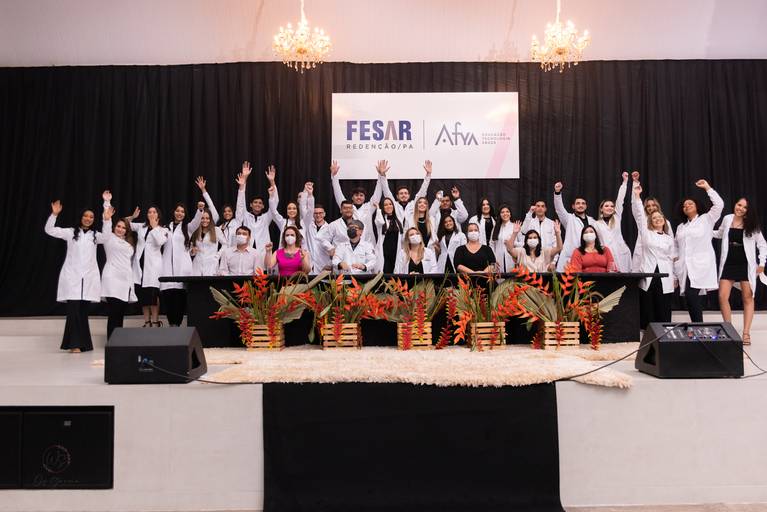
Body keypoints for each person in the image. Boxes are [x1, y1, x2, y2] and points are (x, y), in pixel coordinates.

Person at [44, 192, 111, 352]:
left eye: (91, 217)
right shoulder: (70, 232)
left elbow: (107, 236)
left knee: (82, 313)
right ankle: (74, 345)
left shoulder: (95, 236)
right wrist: (54, 214)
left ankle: (84, 344)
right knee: (73, 312)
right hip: (72, 278)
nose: (88, 219)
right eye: (86, 216)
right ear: (81, 217)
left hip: (88, 280)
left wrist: (106, 211)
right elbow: (49, 230)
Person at [714, 197, 767, 344]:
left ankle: (746, 333)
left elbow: (762, 244)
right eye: (739, 205)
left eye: (745, 207)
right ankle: (729, 330)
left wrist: (762, 263)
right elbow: (720, 233)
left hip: (745, 264)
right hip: (728, 262)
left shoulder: (752, 224)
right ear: (735, 204)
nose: (741, 209)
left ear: (748, 211)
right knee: (722, 296)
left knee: (747, 298)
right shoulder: (727, 218)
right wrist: (705, 232)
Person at [675, 179, 724, 322]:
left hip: (700, 265)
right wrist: (675, 270)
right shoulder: (681, 227)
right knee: (689, 297)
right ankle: (697, 326)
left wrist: (708, 188)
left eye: (690, 203)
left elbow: (719, 205)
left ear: (697, 206)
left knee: (691, 294)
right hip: (685, 267)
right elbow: (677, 247)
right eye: (684, 205)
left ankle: (698, 326)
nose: (687, 206)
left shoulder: (706, 219)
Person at [631, 183, 677, 327]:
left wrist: (675, 277)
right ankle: (647, 333)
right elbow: (640, 214)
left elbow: (672, 258)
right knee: (648, 307)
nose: (657, 219)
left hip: (665, 275)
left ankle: (663, 333)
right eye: (654, 218)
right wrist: (637, 196)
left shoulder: (669, 238)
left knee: (663, 307)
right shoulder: (646, 233)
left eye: (659, 217)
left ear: (664, 220)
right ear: (650, 221)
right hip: (649, 274)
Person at [100, 204, 138, 338]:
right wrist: (107, 203)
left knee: (120, 313)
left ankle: (117, 342)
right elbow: (106, 223)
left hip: (125, 281)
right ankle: (111, 341)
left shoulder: (129, 243)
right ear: (114, 227)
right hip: (112, 279)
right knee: (114, 312)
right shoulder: (109, 238)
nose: (120, 229)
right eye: (118, 226)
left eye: (123, 227)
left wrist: (131, 218)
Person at [129, 206, 169, 327]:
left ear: (158, 215)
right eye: (149, 212)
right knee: (144, 296)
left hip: (153, 267)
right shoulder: (141, 226)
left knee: (153, 295)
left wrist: (154, 227)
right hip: (140, 265)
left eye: (154, 212)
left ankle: (155, 321)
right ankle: (147, 322)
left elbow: (160, 242)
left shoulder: (163, 229)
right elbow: (125, 223)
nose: (151, 214)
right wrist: (132, 217)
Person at [157, 201, 193, 327]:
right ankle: (171, 324)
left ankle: (177, 325)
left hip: (182, 269)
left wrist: (200, 210)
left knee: (180, 299)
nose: (180, 213)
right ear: (173, 212)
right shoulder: (165, 228)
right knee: (168, 298)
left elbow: (197, 221)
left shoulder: (188, 227)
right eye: (178, 211)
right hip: (167, 268)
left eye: (182, 211)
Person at [330, 160, 382, 245]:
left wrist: (380, 176)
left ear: (364, 198)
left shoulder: (369, 207)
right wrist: (334, 176)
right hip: (351, 243)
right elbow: (338, 193)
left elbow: (377, 193)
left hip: (368, 243)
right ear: (352, 197)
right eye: (356, 195)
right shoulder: (348, 207)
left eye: (361, 195)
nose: (359, 197)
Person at [630, 171, 673, 272]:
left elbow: (671, 245)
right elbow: (635, 205)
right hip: (643, 256)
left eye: (653, 205)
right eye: (648, 206)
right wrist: (635, 183)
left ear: (658, 206)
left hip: (662, 261)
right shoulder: (642, 220)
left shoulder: (665, 222)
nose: (651, 208)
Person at [554, 182, 597, 271]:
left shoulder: (592, 221)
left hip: (587, 257)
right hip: (570, 257)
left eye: (583, 203)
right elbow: (559, 209)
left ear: (586, 206)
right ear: (573, 206)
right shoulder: (568, 219)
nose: (580, 205)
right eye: (578, 203)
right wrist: (557, 193)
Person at [235, 161, 278, 250]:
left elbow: (274, 202)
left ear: (263, 206)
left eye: (260, 203)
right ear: (251, 205)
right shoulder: (246, 215)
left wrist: (272, 182)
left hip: (263, 252)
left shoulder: (266, 217)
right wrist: (243, 182)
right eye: (255, 202)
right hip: (247, 251)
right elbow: (240, 205)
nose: (258, 204)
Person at [595, 173, 632, 272]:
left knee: (624, 277)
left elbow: (620, 199)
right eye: (606, 206)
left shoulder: (617, 217)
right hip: (606, 255)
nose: (610, 208)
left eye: (612, 206)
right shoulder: (596, 224)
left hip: (621, 253)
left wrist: (625, 182)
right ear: (601, 209)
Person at [377, 160, 432, 225]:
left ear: (409, 196)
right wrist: (382, 175)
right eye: (401, 193)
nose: (403, 195)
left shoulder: (413, 204)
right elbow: (386, 191)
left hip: (412, 231)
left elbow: (423, 191)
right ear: (397, 196)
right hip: (397, 231)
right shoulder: (394, 205)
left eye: (406, 193)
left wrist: (428, 175)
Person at [299, 182, 331, 273]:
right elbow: (303, 208)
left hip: (325, 266)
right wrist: (308, 193)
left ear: (324, 214)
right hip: (309, 265)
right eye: (315, 213)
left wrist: (330, 264)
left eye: (320, 213)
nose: (318, 215)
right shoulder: (308, 224)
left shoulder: (330, 228)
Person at [190, 209, 227, 276]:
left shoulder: (216, 230)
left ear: (210, 219)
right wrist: (192, 251)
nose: (205, 220)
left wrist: (217, 256)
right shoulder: (195, 230)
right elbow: (191, 249)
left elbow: (225, 244)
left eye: (207, 218)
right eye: (202, 218)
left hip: (211, 264)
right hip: (197, 265)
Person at [373, 197, 403, 273]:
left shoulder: (398, 220)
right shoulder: (382, 220)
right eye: (385, 205)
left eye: (390, 204)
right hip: (384, 253)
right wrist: (378, 208)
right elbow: (379, 221)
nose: (389, 206)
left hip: (396, 253)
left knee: (395, 274)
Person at [490, 205, 516, 273]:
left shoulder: (515, 226)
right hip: (498, 258)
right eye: (502, 212)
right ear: (500, 215)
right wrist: (494, 258)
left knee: (512, 277)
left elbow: (522, 242)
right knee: (499, 277)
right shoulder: (496, 227)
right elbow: (492, 244)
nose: (505, 214)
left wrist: (512, 243)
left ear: (510, 214)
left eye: (507, 211)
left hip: (512, 258)